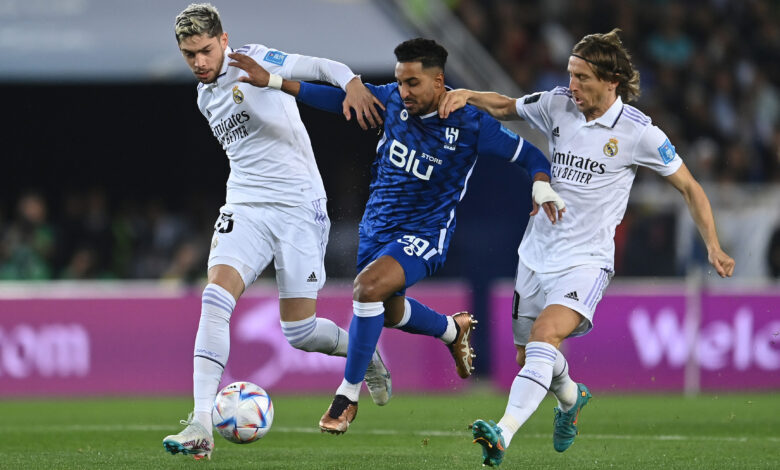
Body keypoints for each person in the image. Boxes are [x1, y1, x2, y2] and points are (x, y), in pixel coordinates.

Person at [227, 37, 566, 434]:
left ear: (439, 82)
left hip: (425, 231)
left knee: (367, 289)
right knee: (387, 309)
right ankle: (452, 330)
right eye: (399, 81)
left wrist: (541, 184)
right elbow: (336, 99)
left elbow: (532, 157)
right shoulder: (390, 100)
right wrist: (273, 81)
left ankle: (347, 396)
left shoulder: (471, 123)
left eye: (413, 83)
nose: (403, 91)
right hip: (378, 227)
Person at [438, 28, 736, 466]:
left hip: (587, 260)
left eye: (581, 77)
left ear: (611, 80)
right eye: (570, 74)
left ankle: (501, 433)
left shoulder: (640, 133)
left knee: (545, 338)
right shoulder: (558, 103)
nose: (571, 84)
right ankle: (571, 399)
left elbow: (690, 187)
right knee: (531, 356)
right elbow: (507, 106)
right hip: (536, 253)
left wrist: (713, 244)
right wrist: (466, 94)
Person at [162, 3, 391, 460]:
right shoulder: (204, 97)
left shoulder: (256, 58)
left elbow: (322, 66)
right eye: (189, 55)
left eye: (206, 50)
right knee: (215, 297)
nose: (199, 63)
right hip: (245, 205)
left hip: (298, 207)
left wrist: (351, 84)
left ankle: (366, 355)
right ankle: (200, 423)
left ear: (223, 41)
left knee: (300, 331)